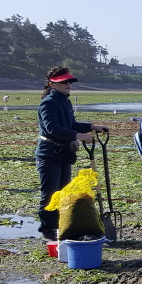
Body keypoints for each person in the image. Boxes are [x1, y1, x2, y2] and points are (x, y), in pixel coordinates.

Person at [35, 67, 109, 241]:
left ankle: (62, 226)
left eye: (69, 81)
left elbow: (70, 124)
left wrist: (91, 127)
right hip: (48, 154)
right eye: (64, 82)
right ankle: (47, 229)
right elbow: (52, 128)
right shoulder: (48, 103)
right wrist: (78, 136)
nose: (68, 84)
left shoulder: (65, 101)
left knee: (63, 191)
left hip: (64, 153)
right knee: (50, 193)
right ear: (52, 84)